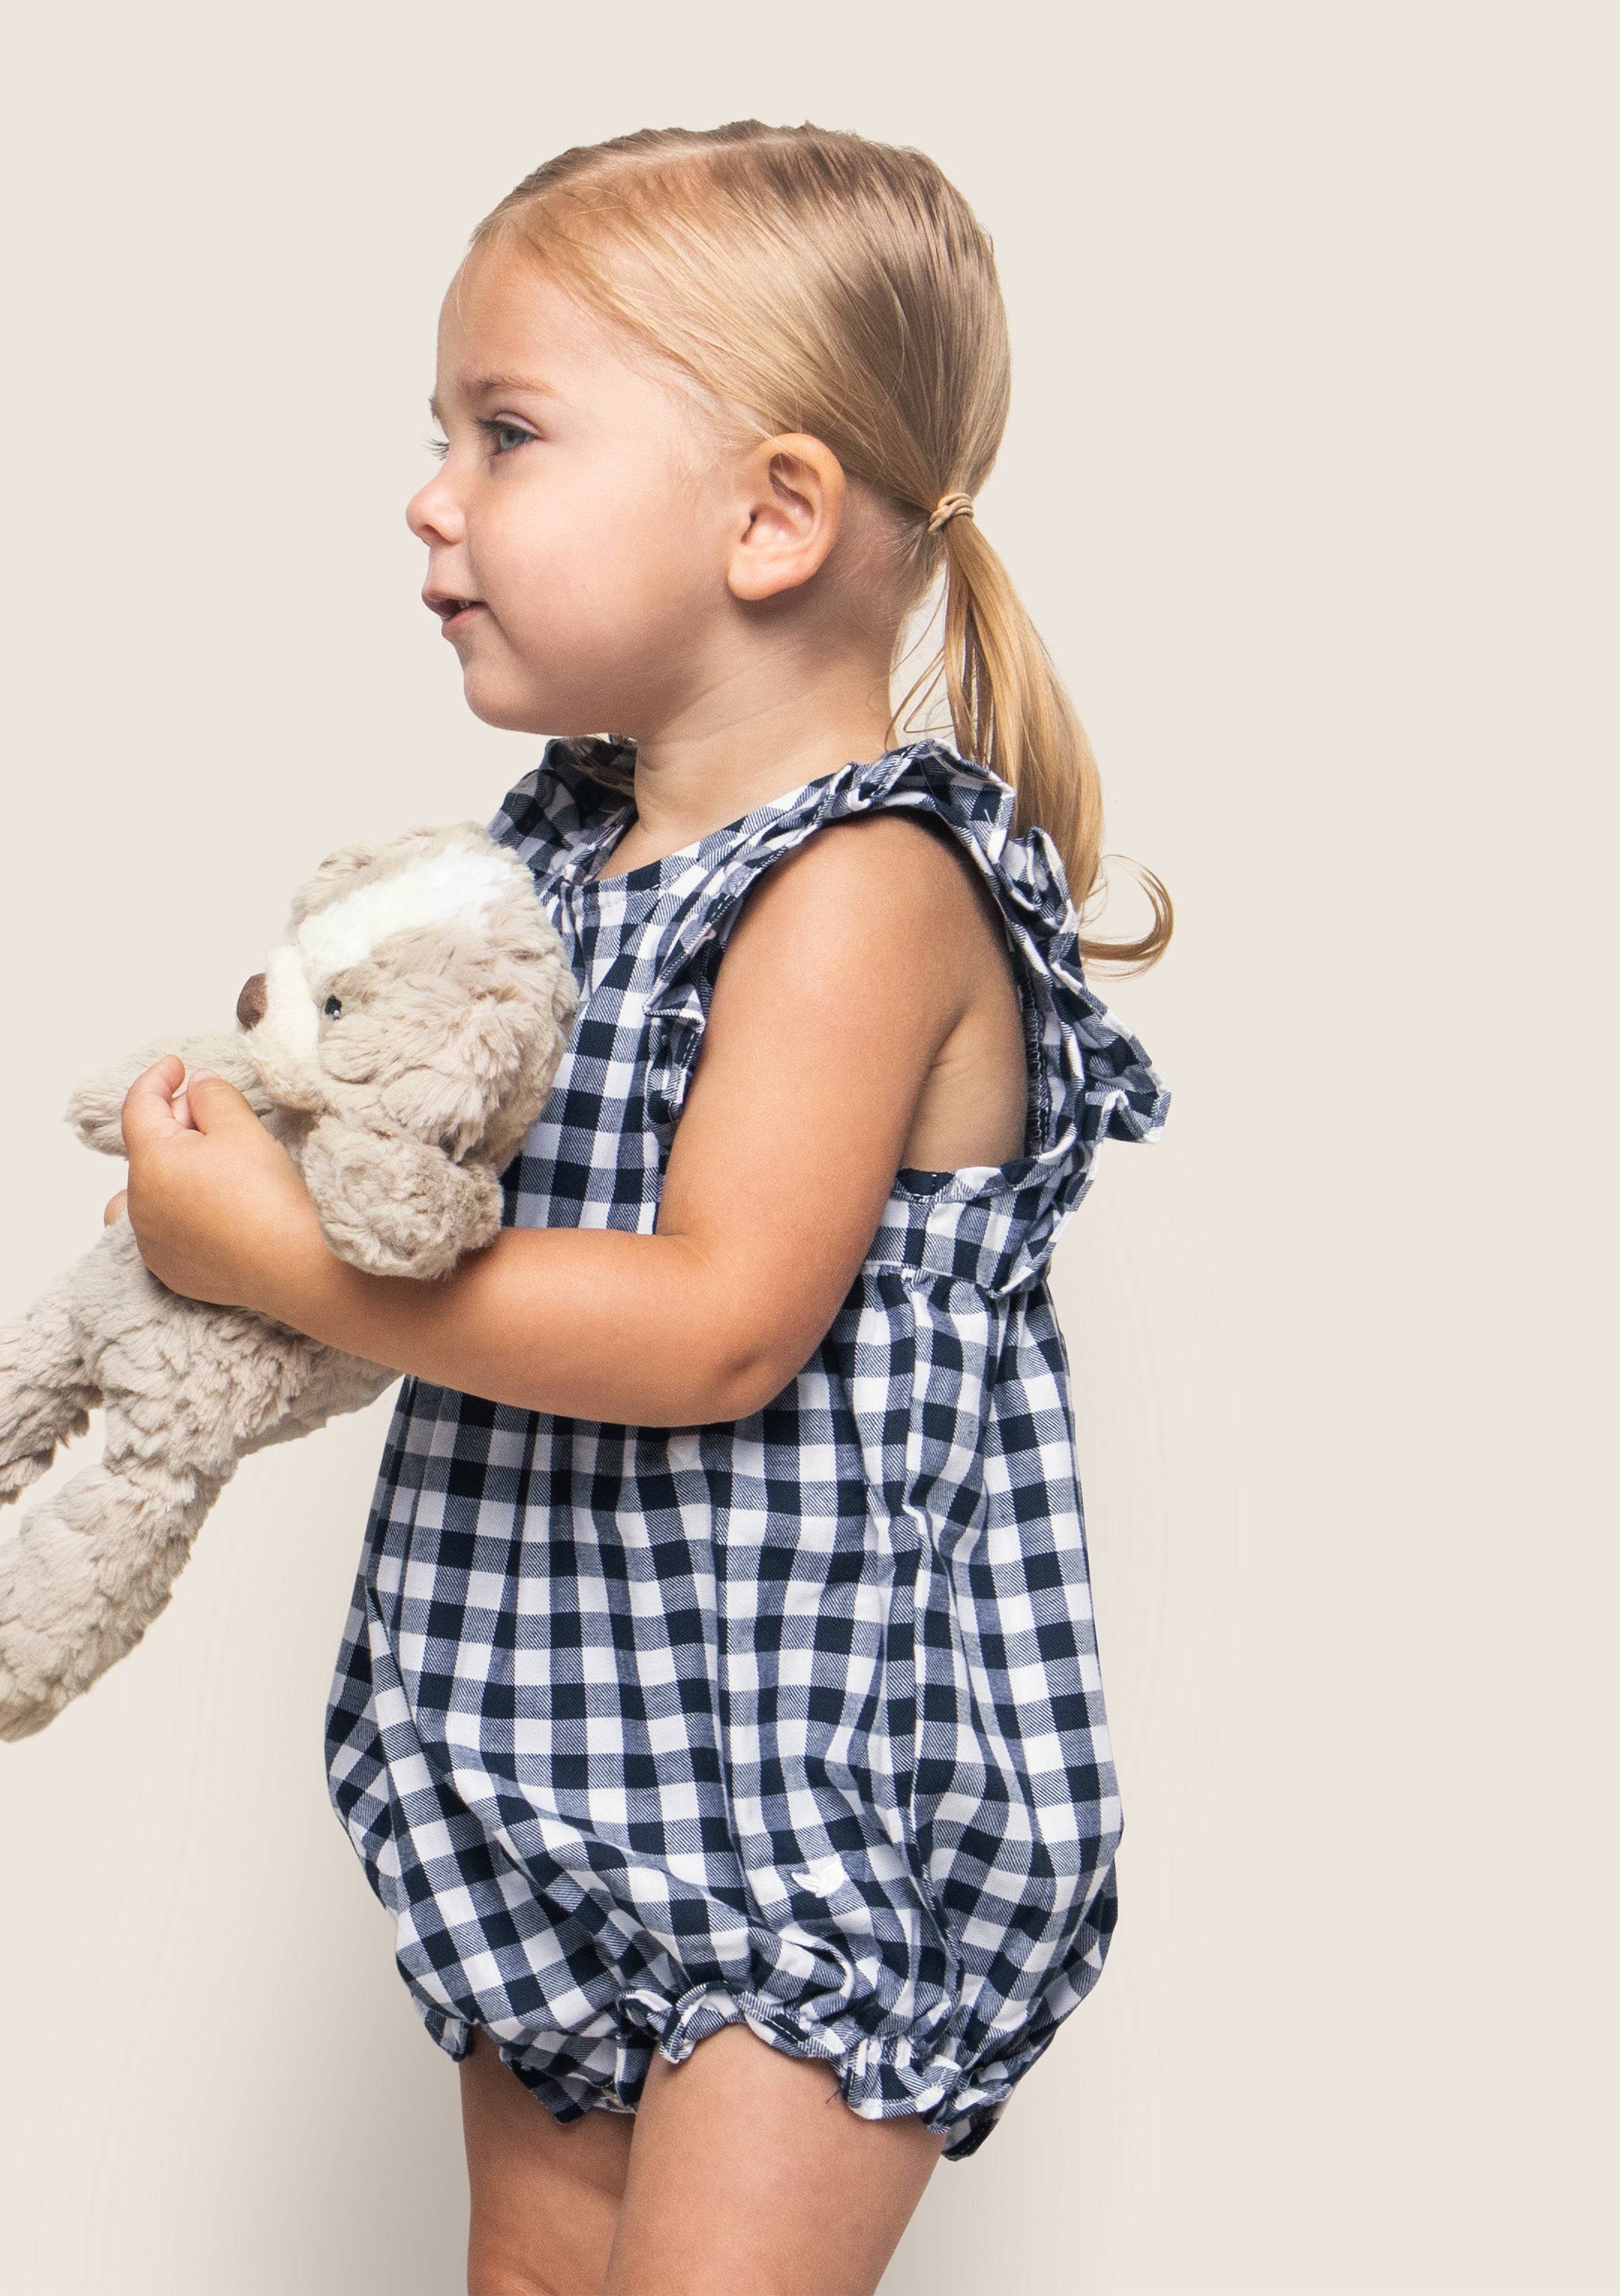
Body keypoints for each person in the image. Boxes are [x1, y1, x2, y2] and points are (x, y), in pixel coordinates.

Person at [113, 122, 1171, 2296]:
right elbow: (447, 1184)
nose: (431, 498)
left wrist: (279, 1256)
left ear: (773, 515)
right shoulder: (549, 867)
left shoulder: (862, 887)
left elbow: (714, 1325)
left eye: (504, 435)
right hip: (542, 1745)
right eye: (441, 435)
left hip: (802, 1793)